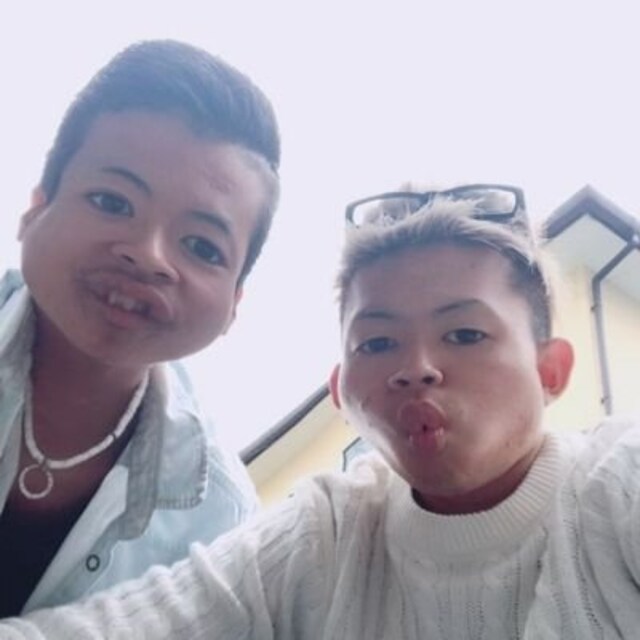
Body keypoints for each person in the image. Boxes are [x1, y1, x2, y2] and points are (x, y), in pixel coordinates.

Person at [1, 184, 636, 638]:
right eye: (376, 343)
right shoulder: (326, 537)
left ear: (551, 371)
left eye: (465, 334)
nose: (416, 367)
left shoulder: (615, 489)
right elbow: (137, 622)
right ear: (341, 394)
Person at [0, 38, 280, 616]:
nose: (149, 255)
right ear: (36, 209)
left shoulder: (217, 522)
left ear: (234, 304)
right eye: (112, 201)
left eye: (202, 246)